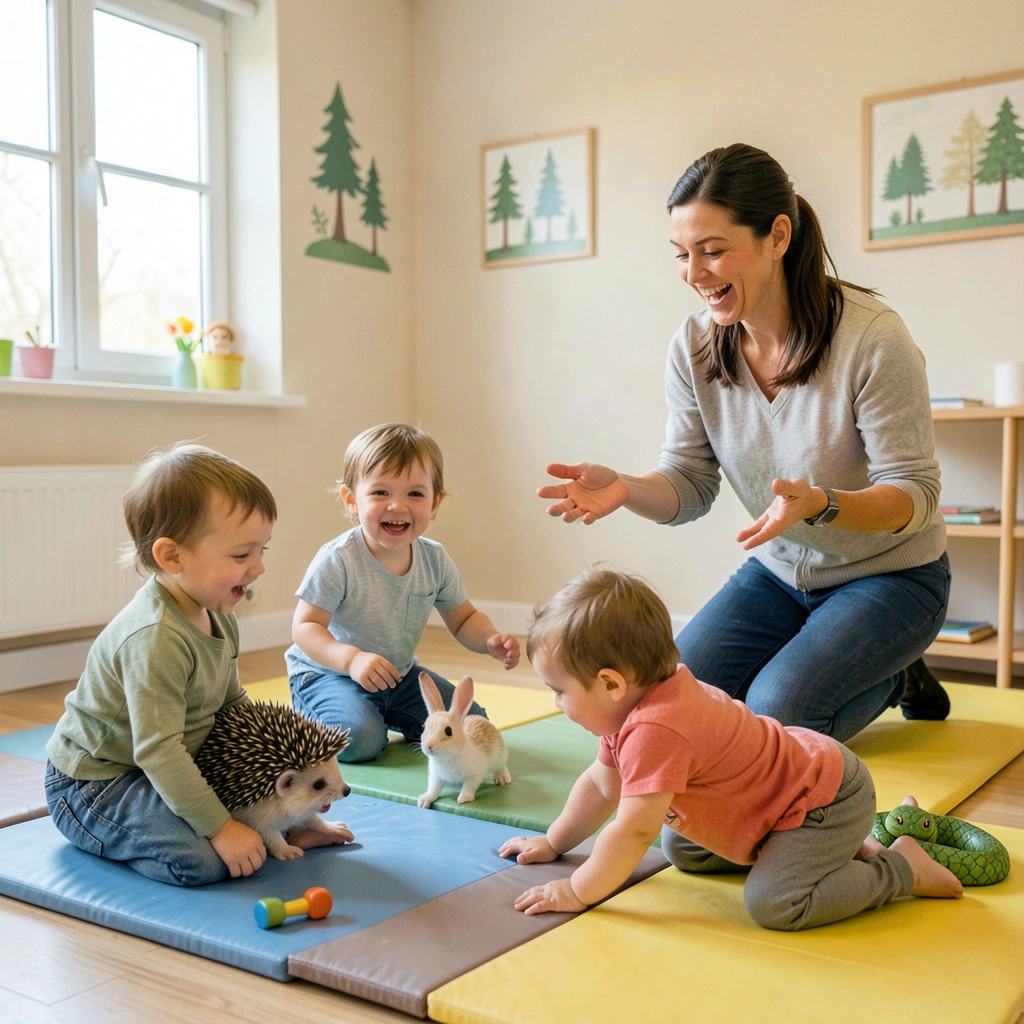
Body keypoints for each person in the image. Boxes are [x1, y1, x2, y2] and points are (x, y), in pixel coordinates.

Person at [539, 143, 950, 743]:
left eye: (712, 251)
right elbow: (690, 484)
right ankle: (849, 660)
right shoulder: (694, 346)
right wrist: (626, 488)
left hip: (892, 576)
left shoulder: (872, 339)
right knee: (663, 707)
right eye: (682, 254)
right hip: (780, 574)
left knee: (777, 711)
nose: (694, 273)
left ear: (777, 236)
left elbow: (915, 494)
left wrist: (822, 504)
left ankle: (892, 675)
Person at [500, 570, 962, 930]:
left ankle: (901, 867)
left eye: (559, 691)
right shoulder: (631, 707)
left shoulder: (656, 729)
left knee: (777, 905)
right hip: (785, 793)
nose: (555, 703)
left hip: (824, 798)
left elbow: (632, 831)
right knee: (684, 848)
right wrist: (554, 842)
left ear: (611, 684)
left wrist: (577, 891)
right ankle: (839, 848)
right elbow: (602, 785)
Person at [43, 444, 326, 886]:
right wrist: (221, 828)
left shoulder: (217, 612)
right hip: (95, 785)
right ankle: (104, 836)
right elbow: (159, 751)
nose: (259, 567)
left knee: (249, 828)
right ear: (172, 557)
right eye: (241, 555)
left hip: (155, 768)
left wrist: (278, 784)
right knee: (205, 862)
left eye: (262, 550)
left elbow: (231, 705)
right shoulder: (155, 638)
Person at [287, 423, 520, 762]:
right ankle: (322, 712)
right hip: (329, 674)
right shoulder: (338, 559)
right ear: (351, 500)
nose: (397, 506)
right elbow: (305, 627)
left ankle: (381, 715)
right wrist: (351, 660)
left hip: (398, 676)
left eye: (415, 494)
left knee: (471, 725)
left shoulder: (434, 559)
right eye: (381, 492)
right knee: (360, 741)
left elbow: (464, 618)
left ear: (435, 502)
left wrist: (488, 640)